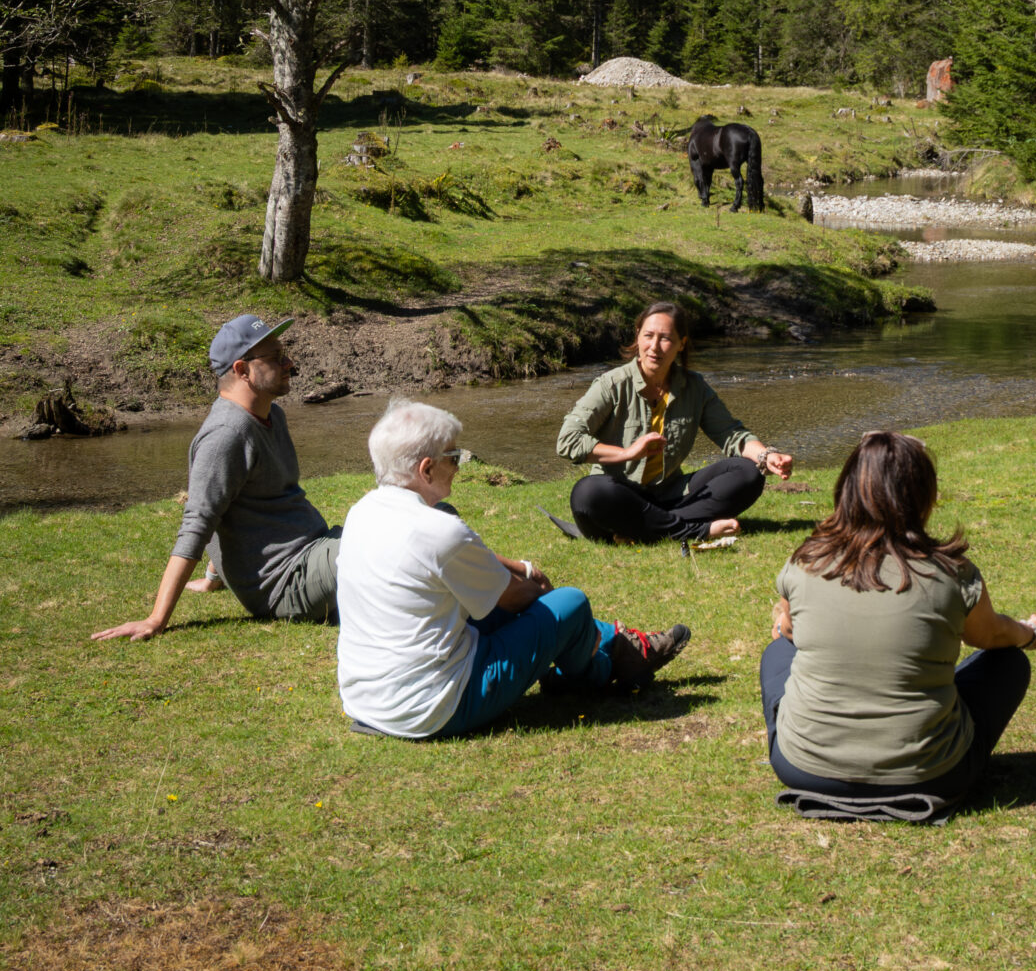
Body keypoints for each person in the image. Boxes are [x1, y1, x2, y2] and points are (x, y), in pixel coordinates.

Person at [336, 397, 690, 739]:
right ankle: (605, 669)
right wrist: (541, 590)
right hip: (434, 708)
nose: (459, 466)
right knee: (571, 603)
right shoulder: (439, 531)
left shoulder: (361, 513)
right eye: (454, 456)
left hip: (366, 703)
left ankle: (614, 643)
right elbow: (517, 598)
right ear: (426, 469)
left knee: (508, 607)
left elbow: (459, 567)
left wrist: (520, 567)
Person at [761, 428, 1036, 810]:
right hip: (933, 773)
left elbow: (787, 631)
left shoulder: (806, 561)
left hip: (802, 769)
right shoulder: (951, 571)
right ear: (924, 496)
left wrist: (786, 626)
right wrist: (1031, 632)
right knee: (1010, 663)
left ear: (847, 489)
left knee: (776, 655)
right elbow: (993, 636)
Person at [92, 314, 342, 642]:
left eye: (285, 354)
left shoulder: (271, 415)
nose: (289, 363)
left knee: (419, 520)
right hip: (288, 581)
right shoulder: (226, 435)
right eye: (276, 358)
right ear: (241, 370)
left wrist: (214, 574)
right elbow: (198, 522)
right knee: (397, 543)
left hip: (316, 551)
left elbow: (235, 501)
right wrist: (156, 619)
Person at [553, 300, 794, 547]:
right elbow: (568, 439)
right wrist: (627, 453)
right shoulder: (611, 385)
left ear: (682, 344)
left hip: (670, 494)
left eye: (665, 339)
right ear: (638, 336)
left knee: (749, 472)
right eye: (648, 336)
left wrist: (766, 456)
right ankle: (693, 529)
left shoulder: (695, 387)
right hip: (619, 495)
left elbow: (731, 434)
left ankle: (648, 529)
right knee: (587, 493)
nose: (654, 347)